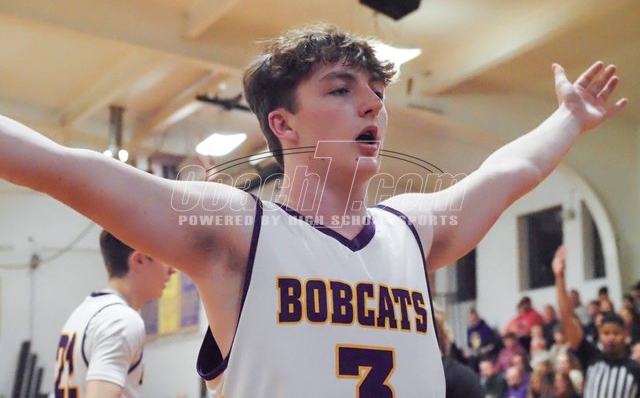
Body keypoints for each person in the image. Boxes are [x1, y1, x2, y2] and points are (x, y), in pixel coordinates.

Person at [0, 23, 627, 397]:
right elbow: (59, 166)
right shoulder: (238, 233)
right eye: (341, 90)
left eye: (377, 93)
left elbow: (508, 172)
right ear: (283, 124)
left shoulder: (410, 230)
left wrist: (569, 118)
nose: (372, 106)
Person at [53, 229, 174, 397]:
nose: (173, 269)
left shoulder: (84, 311)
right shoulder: (122, 320)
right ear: (139, 260)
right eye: (166, 259)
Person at [553, 245, 640, 398]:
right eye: (606, 333)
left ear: (625, 334)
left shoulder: (635, 370)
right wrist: (559, 277)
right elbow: (567, 319)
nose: (611, 338)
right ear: (599, 335)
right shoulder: (591, 357)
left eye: (616, 333)